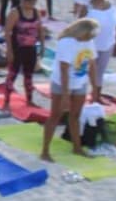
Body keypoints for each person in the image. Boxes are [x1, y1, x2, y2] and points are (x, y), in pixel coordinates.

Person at [40, 19, 101, 161]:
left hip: (80, 82)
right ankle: (45, 151)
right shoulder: (67, 43)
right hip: (62, 83)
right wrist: (66, 94)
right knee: (55, 115)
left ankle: (77, 147)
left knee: (76, 115)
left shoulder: (89, 42)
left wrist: (95, 87)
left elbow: (92, 65)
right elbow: (64, 69)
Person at [3, 0, 44, 111]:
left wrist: (42, 45)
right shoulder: (15, 12)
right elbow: (7, 32)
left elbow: (40, 30)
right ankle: (6, 101)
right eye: (27, 2)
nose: (29, 5)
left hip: (30, 48)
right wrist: (9, 50)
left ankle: (29, 100)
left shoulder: (36, 12)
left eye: (32, 2)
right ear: (23, 0)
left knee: (29, 75)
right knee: (12, 74)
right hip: (17, 48)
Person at [86, 0, 116, 98]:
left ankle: (96, 96)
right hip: (91, 44)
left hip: (108, 43)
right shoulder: (88, 7)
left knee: (100, 71)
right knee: (87, 71)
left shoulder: (112, 5)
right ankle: (85, 94)